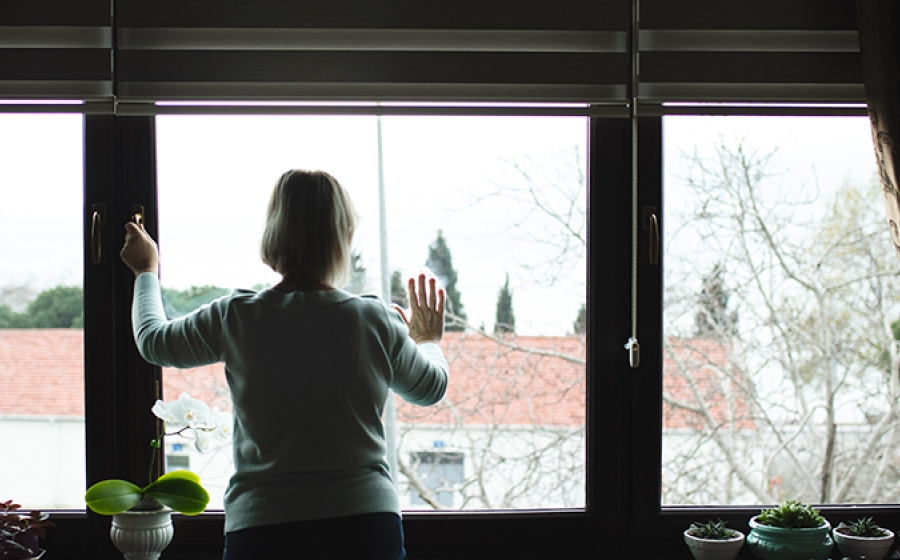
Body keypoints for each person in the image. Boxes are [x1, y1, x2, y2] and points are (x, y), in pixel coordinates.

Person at [119, 169, 449, 560]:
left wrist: (145, 272)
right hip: (365, 525)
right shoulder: (372, 318)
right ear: (342, 237)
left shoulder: (237, 317)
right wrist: (427, 340)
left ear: (274, 231)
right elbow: (430, 389)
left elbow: (155, 342)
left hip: (263, 528)